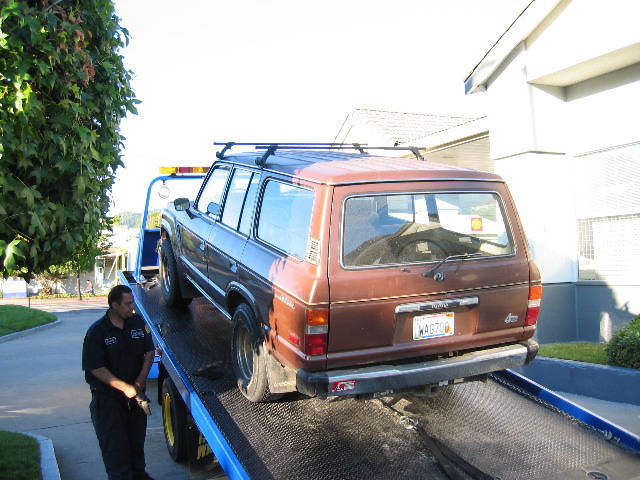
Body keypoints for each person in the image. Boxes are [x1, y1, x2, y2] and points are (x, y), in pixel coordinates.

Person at [82, 285, 156, 480]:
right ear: (114, 305)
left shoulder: (138, 323)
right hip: (108, 403)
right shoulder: (97, 332)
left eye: (132, 302)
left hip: (135, 401)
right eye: (128, 303)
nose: (133, 307)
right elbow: (95, 367)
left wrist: (141, 378)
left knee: (136, 448)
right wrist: (124, 388)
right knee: (116, 455)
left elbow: (149, 351)